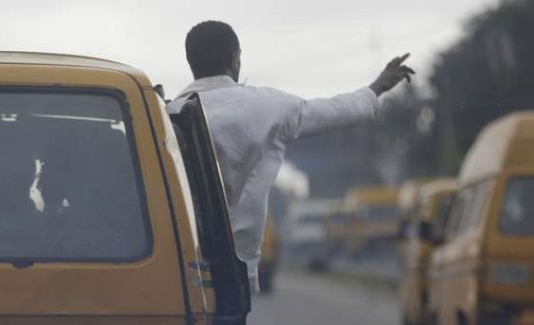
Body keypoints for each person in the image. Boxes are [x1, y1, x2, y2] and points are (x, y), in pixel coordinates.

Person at [166, 21, 414, 291]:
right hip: (232, 280)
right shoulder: (266, 107)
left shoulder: (165, 115)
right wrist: (376, 88)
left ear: (191, 61)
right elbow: (335, 111)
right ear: (234, 58)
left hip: (173, 274)